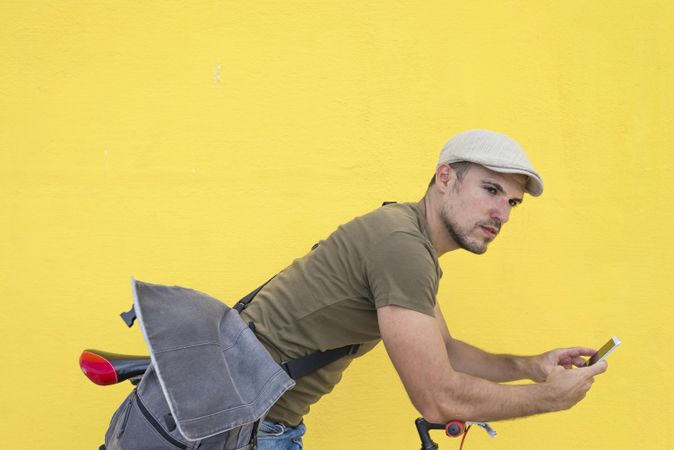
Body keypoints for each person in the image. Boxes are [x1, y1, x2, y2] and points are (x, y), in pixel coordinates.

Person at [240, 129, 608, 449]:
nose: (503, 213)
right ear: (445, 178)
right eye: (491, 190)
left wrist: (531, 366)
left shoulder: (406, 235)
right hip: (248, 427)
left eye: (511, 201)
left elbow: (445, 351)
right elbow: (437, 399)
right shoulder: (402, 246)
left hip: (253, 420)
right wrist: (546, 398)